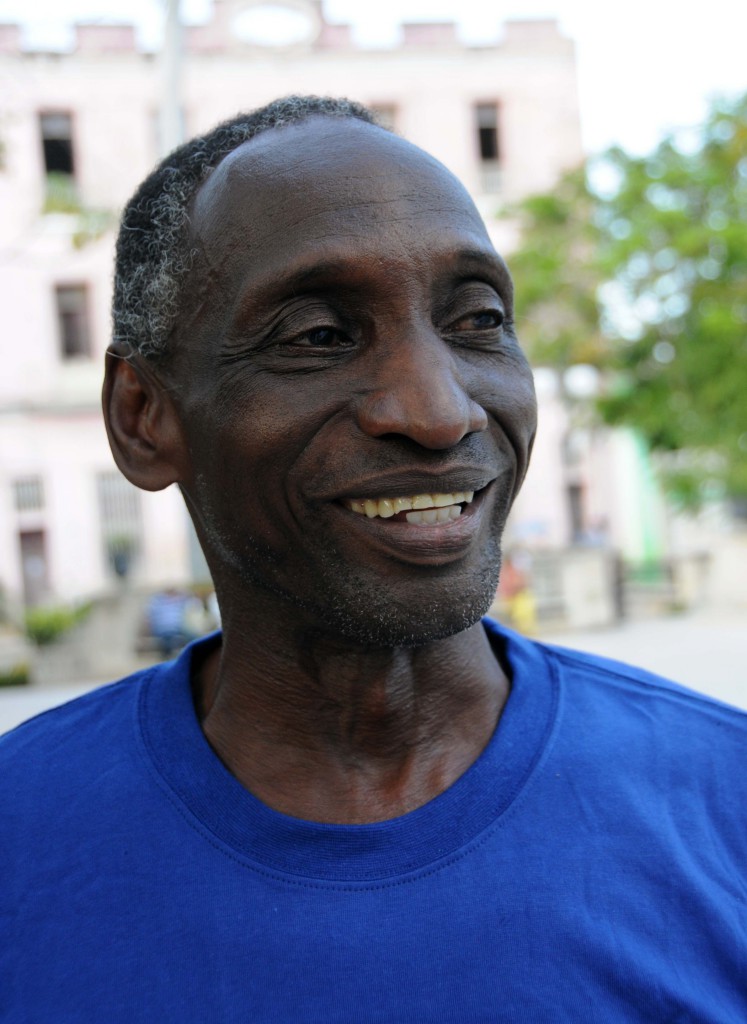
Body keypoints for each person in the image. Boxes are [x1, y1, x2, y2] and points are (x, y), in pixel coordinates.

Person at [2, 96, 745, 1023]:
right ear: (143, 416)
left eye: (477, 320)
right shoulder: (23, 836)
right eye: (319, 336)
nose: (438, 413)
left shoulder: (723, 803)